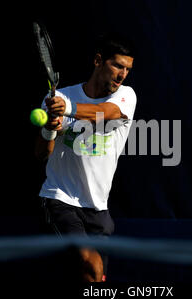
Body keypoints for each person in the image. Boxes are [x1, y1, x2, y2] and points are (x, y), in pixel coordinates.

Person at [34, 32, 136, 282]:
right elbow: (41, 155)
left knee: (95, 279)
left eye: (127, 69)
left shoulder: (125, 96)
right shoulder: (62, 98)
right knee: (91, 267)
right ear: (98, 61)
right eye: (117, 66)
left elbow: (107, 112)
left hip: (99, 208)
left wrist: (68, 110)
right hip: (60, 198)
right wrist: (50, 126)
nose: (122, 74)